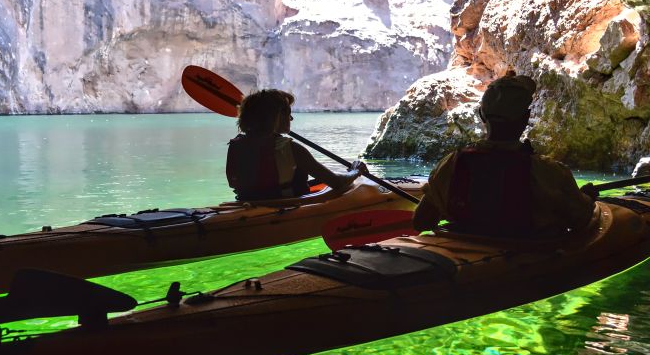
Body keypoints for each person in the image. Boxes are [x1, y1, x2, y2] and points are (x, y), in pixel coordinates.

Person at [413, 74, 597, 238]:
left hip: (462, 256)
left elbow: (422, 222)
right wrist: (586, 199)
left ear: (481, 115)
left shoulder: (451, 164)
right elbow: (580, 220)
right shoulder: (548, 172)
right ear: (526, 118)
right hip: (524, 258)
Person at [226, 89, 368, 201]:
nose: (291, 118)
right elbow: (337, 183)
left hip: (248, 203)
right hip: (286, 205)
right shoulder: (292, 149)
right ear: (278, 116)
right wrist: (355, 171)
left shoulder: (236, 146)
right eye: (288, 113)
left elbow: (234, 183)